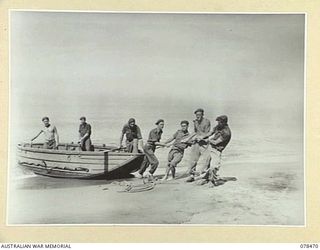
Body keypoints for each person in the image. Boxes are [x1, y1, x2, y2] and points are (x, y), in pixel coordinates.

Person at [200, 115, 232, 186]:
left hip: (217, 149)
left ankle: (212, 181)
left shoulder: (227, 132)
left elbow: (216, 142)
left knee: (214, 166)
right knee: (206, 165)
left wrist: (206, 140)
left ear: (224, 122)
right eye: (218, 122)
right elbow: (211, 133)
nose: (218, 123)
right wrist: (202, 137)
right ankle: (206, 179)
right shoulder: (218, 127)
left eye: (219, 122)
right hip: (211, 147)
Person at [186, 108, 211, 182]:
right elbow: (195, 132)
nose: (197, 116)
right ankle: (191, 175)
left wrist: (201, 138)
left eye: (199, 115)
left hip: (204, 143)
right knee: (193, 159)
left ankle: (206, 176)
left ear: (202, 114)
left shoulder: (207, 121)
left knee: (206, 159)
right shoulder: (195, 122)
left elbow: (207, 133)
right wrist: (188, 139)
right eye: (196, 115)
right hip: (196, 142)